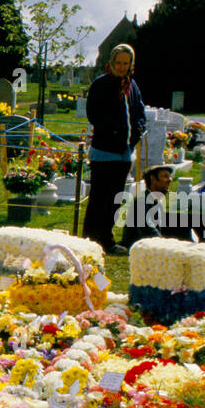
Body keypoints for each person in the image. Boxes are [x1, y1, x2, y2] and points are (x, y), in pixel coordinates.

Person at [81, 44, 146, 255]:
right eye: (118, 63)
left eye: (125, 63)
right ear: (111, 63)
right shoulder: (101, 84)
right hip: (105, 152)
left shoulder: (132, 85)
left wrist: (138, 130)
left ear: (131, 65)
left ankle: (106, 239)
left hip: (124, 153)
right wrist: (115, 132)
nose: (121, 67)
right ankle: (90, 240)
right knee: (99, 199)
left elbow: (139, 112)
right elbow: (95, 115)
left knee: (115, 199)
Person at [120, 163, 175, 247]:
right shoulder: (141, 201)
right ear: (153, 179)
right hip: (138, 247)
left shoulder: (156, 201)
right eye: (165, 176)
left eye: (169, 176)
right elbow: (147, 228)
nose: (170, 179)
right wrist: (165, 244)